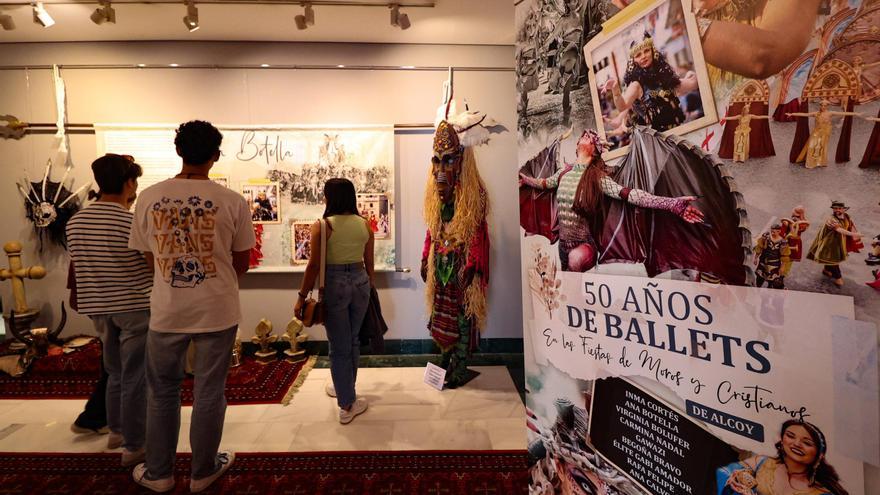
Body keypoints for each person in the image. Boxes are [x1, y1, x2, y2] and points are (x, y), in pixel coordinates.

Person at [128, 120, 256, 492]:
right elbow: (242, 261)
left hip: (167, 311)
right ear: (216, 155)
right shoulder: (231, 201)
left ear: (179, 151)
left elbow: (150, 259)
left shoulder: (149, 197)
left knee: (163, 391)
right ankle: (202, 472)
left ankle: (159, 474)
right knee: (210, 391)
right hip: (217, 308)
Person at [66, 153, 152, 467]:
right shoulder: (132, 221)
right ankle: (134, 445)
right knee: (134, 377)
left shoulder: (76, 222)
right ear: (129, 182)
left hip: (98, 308)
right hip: (134, 305)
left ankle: (115, 431)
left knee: (114, 372)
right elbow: (148, 265)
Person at [520, 130, 704, 272]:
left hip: (584, 247)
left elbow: (632, 195)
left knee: (574, 262)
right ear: (577, 145)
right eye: (584, 135)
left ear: (595, 150)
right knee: (569, 286)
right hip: (563, 246)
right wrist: (525, 179)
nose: (587, 136)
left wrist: (672, 204)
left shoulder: (597, 178)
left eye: (591, 137)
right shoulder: (564, 172)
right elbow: (544, 184)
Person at [295, 178, 374, 424]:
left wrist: (301, 296)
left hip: (335, 284)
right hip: (361, 283)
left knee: (338, 345)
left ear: (330, 198)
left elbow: (314, 266)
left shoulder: (322, 225)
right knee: (351, 341)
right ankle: (346, 388)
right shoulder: (365, 224)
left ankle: (346, 404)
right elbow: (369, 264)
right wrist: (368, 287)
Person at [716, 420, 848, 495]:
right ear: (782, 440)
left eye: (807, 443)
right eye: (790, 436)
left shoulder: (823, 493)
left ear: (820, 455)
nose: (796, 444)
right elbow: (723, 473)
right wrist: (736, 477)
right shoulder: (763, 462)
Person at [600, 32, 699, 132]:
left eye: (646, 51)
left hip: (678, 132)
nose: (643, 56)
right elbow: (622, 106)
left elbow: (692, 84)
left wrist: (693, 74)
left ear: (653, 52)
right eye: (638, 55)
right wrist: (615, 90)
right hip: (656, 141)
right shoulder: (636, 85)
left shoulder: (666, 78)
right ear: (633, 61)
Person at [787, 101, 861, 169]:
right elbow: (805, 114)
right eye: (822, 105)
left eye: (824, 106)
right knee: (812, 145)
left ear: (827, 106)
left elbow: (844, 113)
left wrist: (855, 114)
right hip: (816, 133)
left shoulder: (830, 113)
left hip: (825, 133)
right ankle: (811, 162)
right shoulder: (816, 113)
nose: (823, 107)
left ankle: (819, 162)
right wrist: (792, 114)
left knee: (821, 147)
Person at [806, 201, 862, 287]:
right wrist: (855, 234)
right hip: (829, 243)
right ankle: (838, 278)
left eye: (839, 208)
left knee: (829, 258)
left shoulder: (847, 216)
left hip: (839, 241)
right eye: (835, 208)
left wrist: (854, 237)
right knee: (833, 260)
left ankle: (826, 269)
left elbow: (850, 225)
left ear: (844, 209)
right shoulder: (831, 219)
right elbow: (839, 230)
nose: (837, 210)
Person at [753, 223, 791, 289]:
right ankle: (757, 289)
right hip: (763, 262)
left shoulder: (783, 242)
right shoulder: (766, 237)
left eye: (775, 232)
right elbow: (759, 248)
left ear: (779, 231)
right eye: (772, 231)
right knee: (759, 277)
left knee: (772, 281)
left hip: (774, 264)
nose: (773, 233)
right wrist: (756, 258)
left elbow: (785, 256)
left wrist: (782, 266)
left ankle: (769, 292)